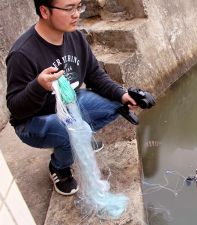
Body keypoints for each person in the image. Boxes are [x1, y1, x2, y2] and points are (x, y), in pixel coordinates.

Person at [6, 0, 137, 196]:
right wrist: (38, 87)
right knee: (69, 131)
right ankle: (59, 167)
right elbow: (16, 109)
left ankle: (79, 139)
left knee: (118, 105)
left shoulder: (75, 37)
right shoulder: (22, 53)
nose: (76, 14)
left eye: (79, 6)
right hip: (34, 122)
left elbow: (95, 75)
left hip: (69, 106)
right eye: (69, 8)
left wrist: (124, 94)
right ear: (44, 11)